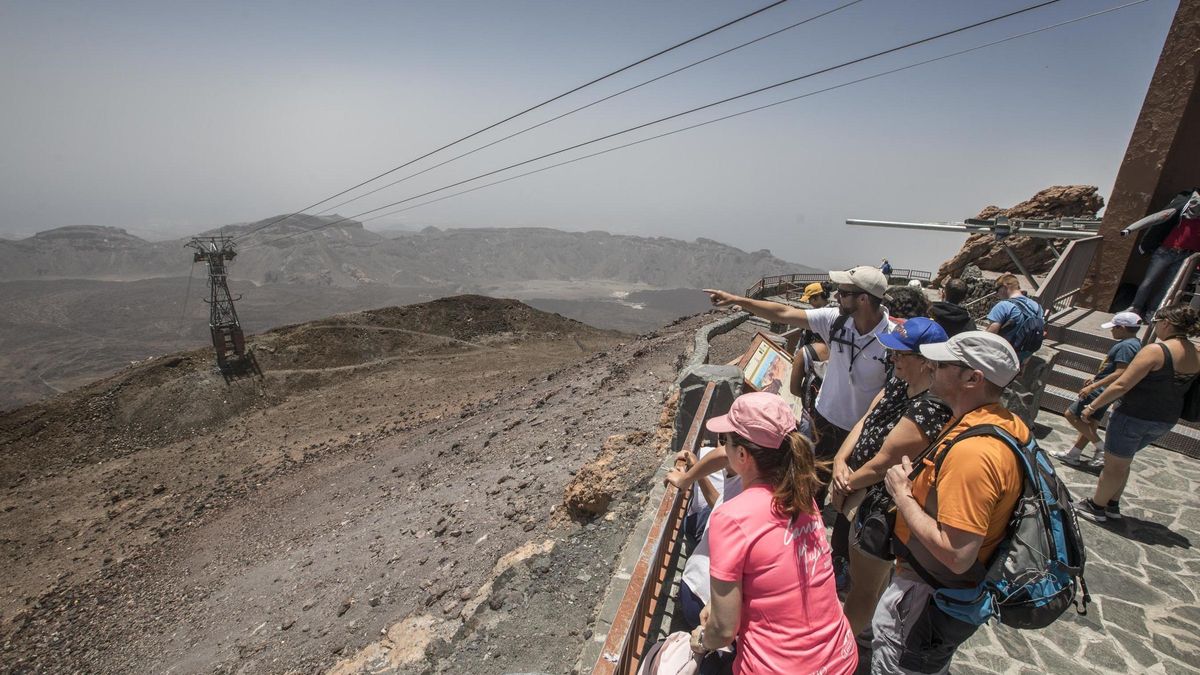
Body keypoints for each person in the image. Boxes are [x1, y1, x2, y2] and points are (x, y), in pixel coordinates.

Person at [875, 331, 1026, 674]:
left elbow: (958, 554)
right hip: (936, 594)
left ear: (973, 378)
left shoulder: (974, 453)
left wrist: (902, 495)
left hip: (925, 598)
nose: (930, 367)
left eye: (941, 364)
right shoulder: (1002, 424)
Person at [689, 392, 857, 675]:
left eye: (725, 442)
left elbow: (724, 630)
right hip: (841, 658)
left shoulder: (731, 517)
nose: (723, 448)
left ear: (742, 455)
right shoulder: (802, 497)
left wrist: (702, 641)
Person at [829, 317, 953, 636]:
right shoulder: (900, 379)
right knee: (854, 563)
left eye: (900, 354)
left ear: (926, 362)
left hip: (880, 506)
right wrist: (840, 461)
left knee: (864, 586)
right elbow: (868, 419)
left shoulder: (932, 409)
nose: (893, 358)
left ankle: (840, 647)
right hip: (857, 484)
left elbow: (884, 462)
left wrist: (845, 482)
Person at [705, 266, 894, 475]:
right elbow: (783, 313)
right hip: (824, 419)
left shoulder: (894, 340)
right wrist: (738, 300)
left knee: (845, 491)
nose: (836, 296)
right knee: (813, 483)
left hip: (859, 429)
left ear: (863, 300)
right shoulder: (835, 320)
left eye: (844, 293)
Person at [1073, 303, 1200, 523]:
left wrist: (1092, 407)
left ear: (1166, 323)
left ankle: (1096, 506)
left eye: (1157, 323)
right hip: (1165, 419)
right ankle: (1112, 504)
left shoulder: (1156, 351)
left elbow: (1122, 384)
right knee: (1124, 461)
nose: (1155, 327)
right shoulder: (1195, 353)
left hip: (1135, 415)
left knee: (1113, 465)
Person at [1050, 312, 1143, 468]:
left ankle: (1101, 448)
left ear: (1122, 327)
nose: (1112, 331)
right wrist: (1095, 378)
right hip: (1105, 387)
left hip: (1103, 389)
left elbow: (1120, 372)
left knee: (1072, 414)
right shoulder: (1134, 343)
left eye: (1114, 328)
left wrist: (1094, 386)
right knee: (1090, 422)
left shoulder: (1126, 346)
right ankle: (1074, 454)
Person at [1127, 189, 1200, 319]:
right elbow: (1156, 220)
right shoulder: (1181, 213)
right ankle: (1135, 308)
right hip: (1166, 251)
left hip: (1185, 256)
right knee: (1148, 281)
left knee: (1168, 287)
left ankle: (1153, 312)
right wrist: (1129, 230)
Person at [986, 273, 1044, 361]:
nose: (996, 294)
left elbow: (990, 334)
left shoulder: (1003, 305)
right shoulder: (1037, 307)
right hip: (1022, 356)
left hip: (1002, 356)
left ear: (1004, 286)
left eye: (997, 290)